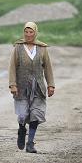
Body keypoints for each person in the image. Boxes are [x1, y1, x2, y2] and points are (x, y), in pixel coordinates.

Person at [8, 21, 55, 153]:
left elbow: (48, 68)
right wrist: (13, 84)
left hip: (38, 87)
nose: (28, 35)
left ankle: (30, 143)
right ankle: (22, 129)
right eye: (26, 32)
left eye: (31, 32)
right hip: (22, 86)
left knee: (36, 114)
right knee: (23, 114)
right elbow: (12, 67)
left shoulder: (42, 48)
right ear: (23, 33)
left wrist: (51, 85)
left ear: (35, 32)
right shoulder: (18, 48)